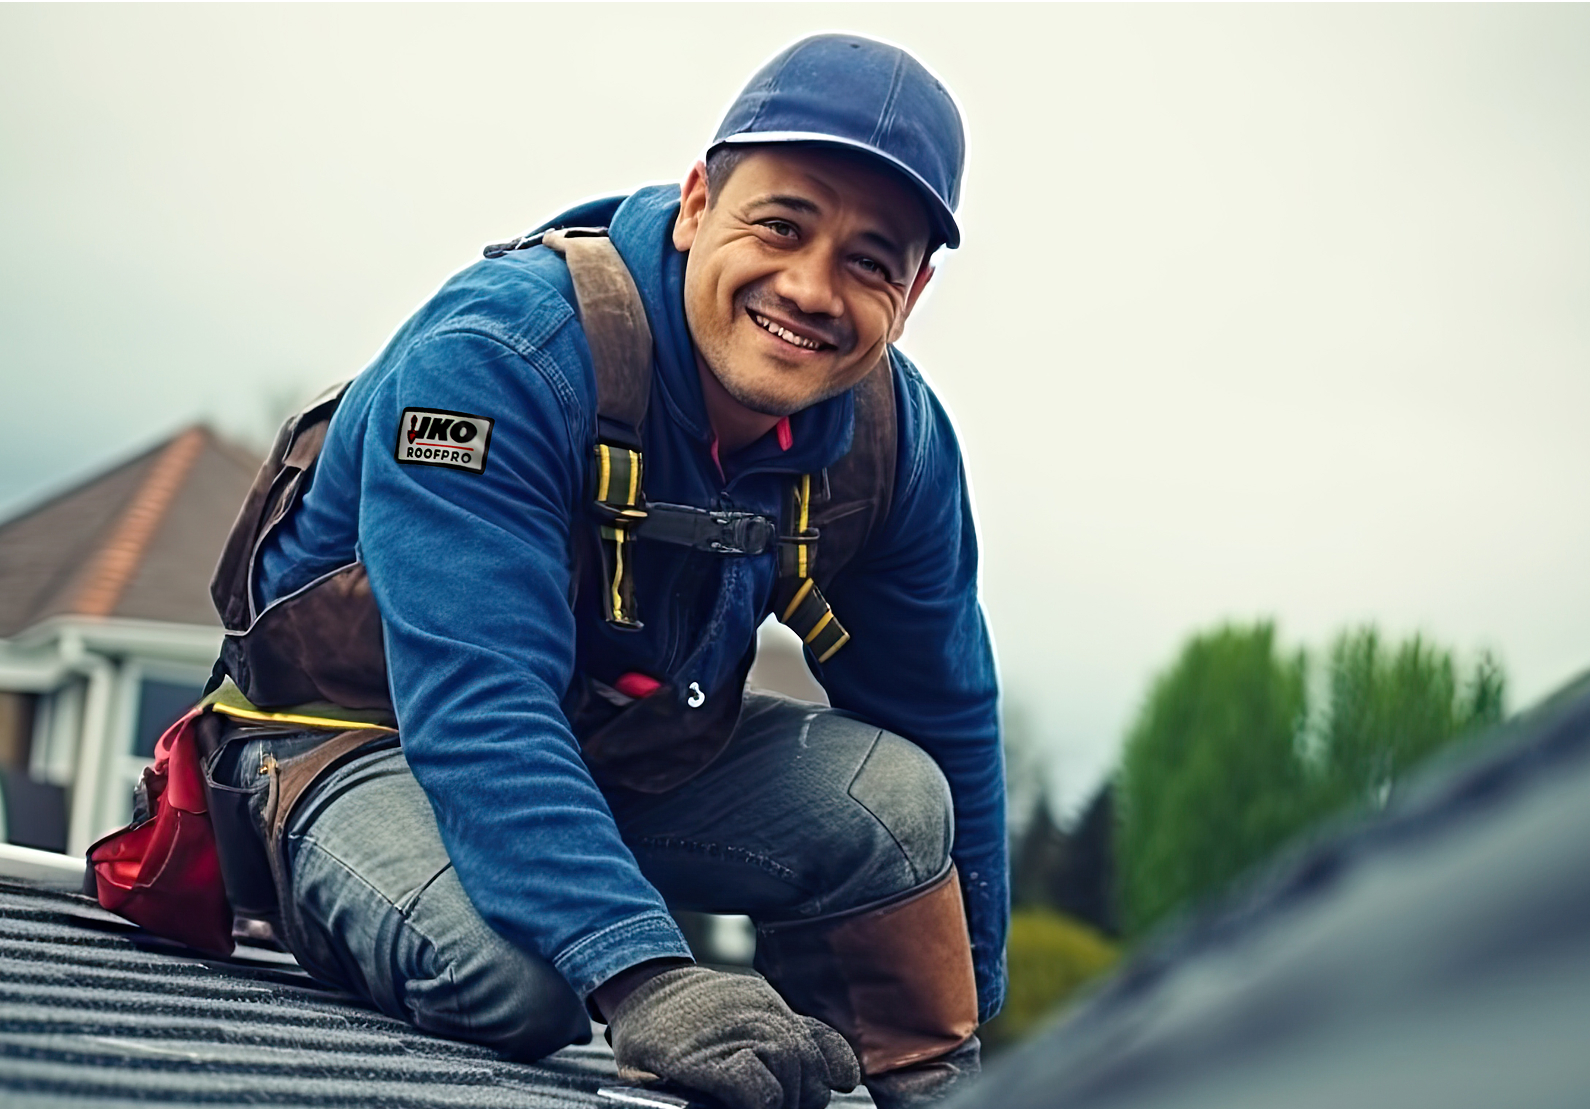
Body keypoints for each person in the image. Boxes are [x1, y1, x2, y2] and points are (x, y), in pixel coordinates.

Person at [202, 34, 1002, 1109]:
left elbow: (944, 712)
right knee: (523, 982)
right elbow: (479, 704)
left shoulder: (892, 440)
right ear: (695, 203)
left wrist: (980, 1033)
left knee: (901, 801)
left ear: (912, 294)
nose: (813, 288)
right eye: (781, 222)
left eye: (870, 260)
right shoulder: (501, 354)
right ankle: (362, 887)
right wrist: (647, 973)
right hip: (359, 744)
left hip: (616, 757)